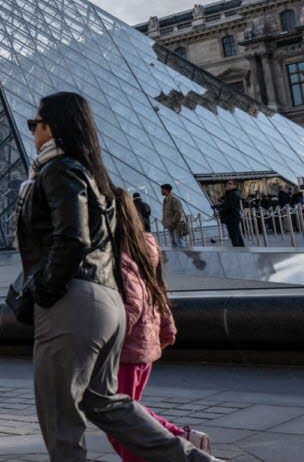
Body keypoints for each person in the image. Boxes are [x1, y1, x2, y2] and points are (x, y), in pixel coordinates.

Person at [15, 92, 216, 461]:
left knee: (59, 413)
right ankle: (194, 459)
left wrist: (45, 289)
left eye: (35, 124)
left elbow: (71, 238)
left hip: (72, 301)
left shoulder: (59, 169)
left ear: (53, 126)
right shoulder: (92, 175)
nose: (32, 132)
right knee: (106, 403)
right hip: (107, 303)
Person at [111, 189, 213, 460]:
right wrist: (166, 328)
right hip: (143, 343)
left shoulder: (119, 254)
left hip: (127, 347)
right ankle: (182, 438)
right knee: (125, 411)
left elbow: (130, 304)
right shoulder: (142, 245)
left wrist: (99, 340)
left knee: (120, 417)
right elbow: (157, 290)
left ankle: (179, 441)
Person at [161, 184, 189, 248]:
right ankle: (177, 257)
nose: (161, 191)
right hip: (170, 226)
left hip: (176, 226)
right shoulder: (165, 200)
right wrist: (164, 221)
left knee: (179, 242)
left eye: (162, 190)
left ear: (165, 190)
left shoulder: (174, 200)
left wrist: (172, 222)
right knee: (173, 243)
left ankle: (183, 257)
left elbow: (179, 213)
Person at [218, 180, 245, 248]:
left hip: (231, 216)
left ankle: (237, 250)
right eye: (227, 183)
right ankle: (242, 248)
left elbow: (229, 206)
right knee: (237, 233)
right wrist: (220, 206)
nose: (227, 185)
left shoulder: (232, 193)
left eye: (230, 183)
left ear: (234, 185)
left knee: (233, 234)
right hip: (233, 215)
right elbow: (228, 204)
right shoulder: (233, 193)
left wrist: (221, 212)